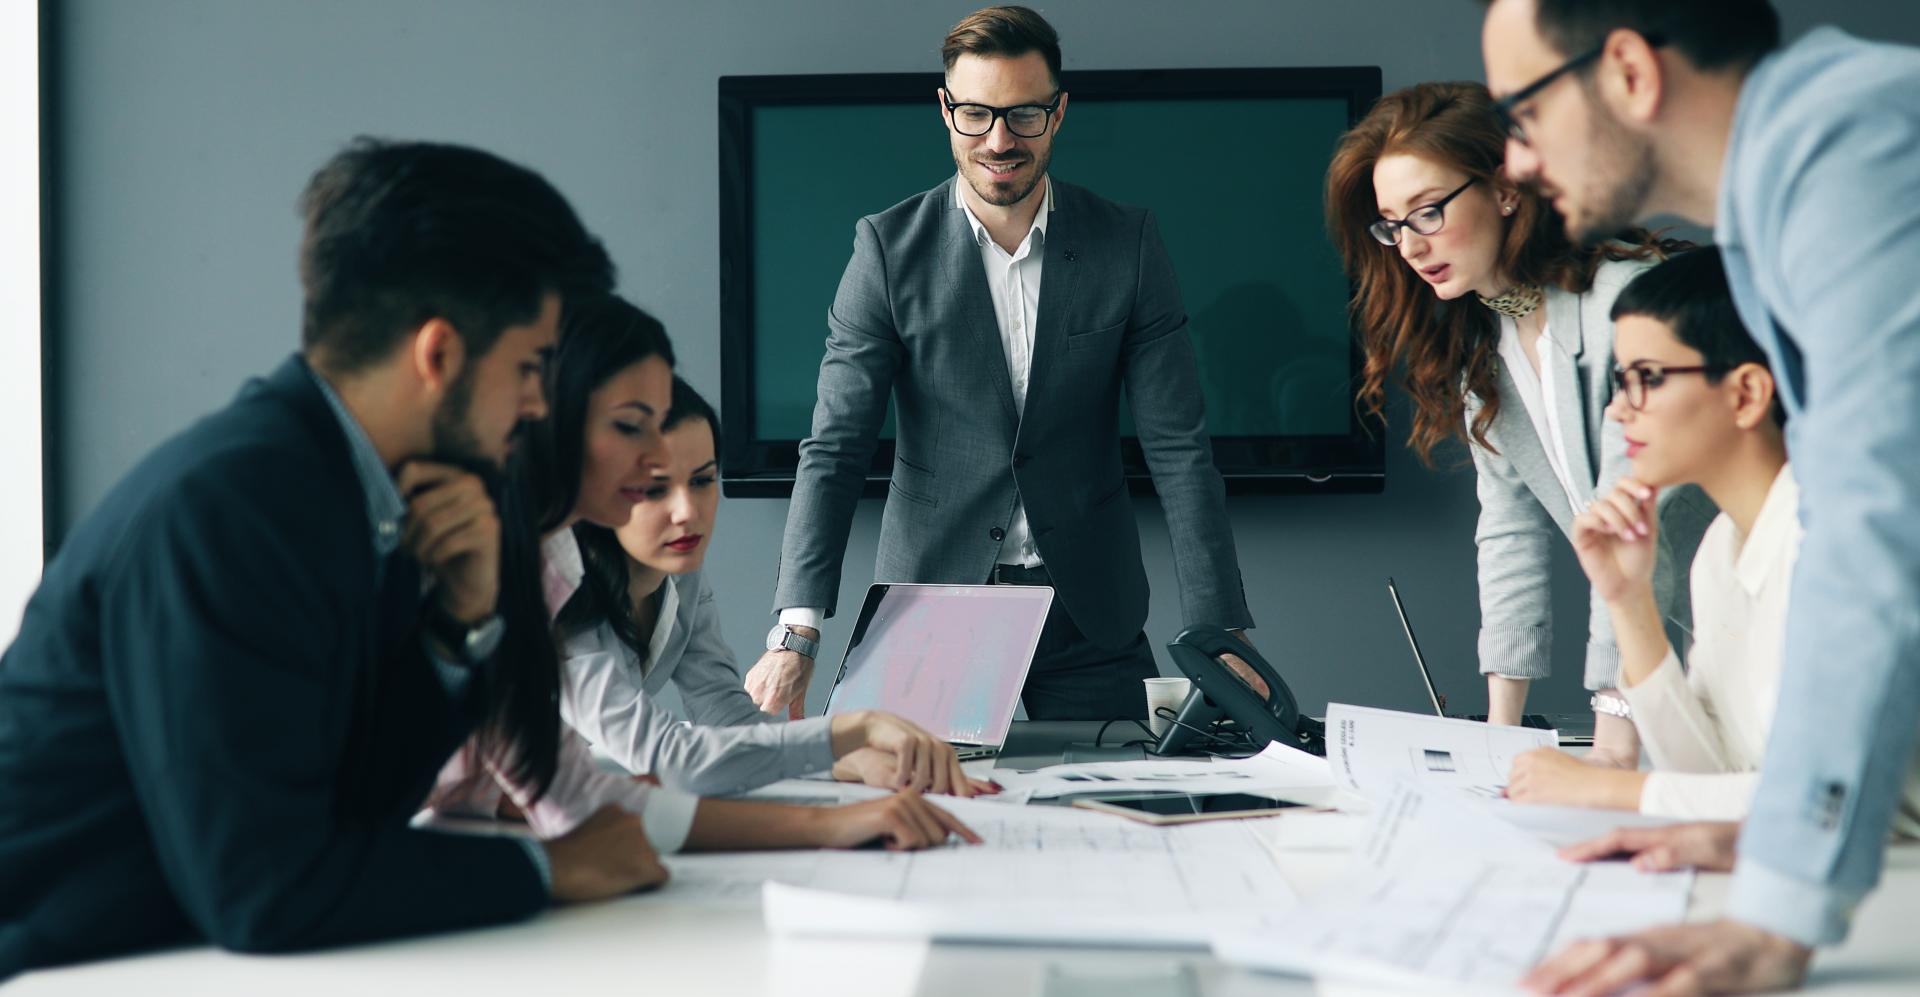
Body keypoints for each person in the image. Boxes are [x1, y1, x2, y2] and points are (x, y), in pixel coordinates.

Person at [0, 139, 659, 976]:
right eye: (530, 366)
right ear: (439, 354)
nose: (537, 404)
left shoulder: (349, 491)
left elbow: (350, 815)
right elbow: (267, 888)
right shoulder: (233, 509)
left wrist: (457, 627)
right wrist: (549, 866)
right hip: (51, 977)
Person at [1479, 0, 1920, 997]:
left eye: (1523, 112)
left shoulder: (1850, 153)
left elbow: (1876, 526)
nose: (1512, 161)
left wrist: (1778, 910)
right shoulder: (1773, 228)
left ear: (1630, 70)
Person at [748, 5, 1262, 723]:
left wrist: (1222, 631)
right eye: (976, 114)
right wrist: (796, 631)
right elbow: (834, 449)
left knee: (1122, 810)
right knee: (904, 816)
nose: (999, 139)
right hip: (931, 604)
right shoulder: (888, 251)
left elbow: (1179, 448)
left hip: (1089, 611)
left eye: (1023, 114)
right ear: (945, 111)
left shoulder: (1128, 244)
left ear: (1058, 113)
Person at [1324, 81, 1711, 759]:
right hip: (1689, 630)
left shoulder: (1627, 301)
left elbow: (1633, 516)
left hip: (1779, 609)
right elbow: (1509, 533)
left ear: (1505, 189)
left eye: (1429, 212)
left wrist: (1614, 734)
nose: (1410, 247)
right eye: (1393, 224)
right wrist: (1497, 741)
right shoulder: (1487, 344)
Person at [1505, 251, 1920, 831]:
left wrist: (1608, 788)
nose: (1619, 409)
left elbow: (1825, 803)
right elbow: (1710, 778)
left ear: (1747, 393)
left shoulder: (1845, 545)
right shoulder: (1720, 552)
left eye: (1646, 378)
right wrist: (1630, 603)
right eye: (1620, 380)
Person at [534, 301, 994, 797]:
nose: (687, 511)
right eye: (654, 488)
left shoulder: (678, 575)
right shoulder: (556, 594)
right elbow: (673, 760)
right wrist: (849, 732)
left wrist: (848, 764)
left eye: (703, 480)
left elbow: (728, 721)